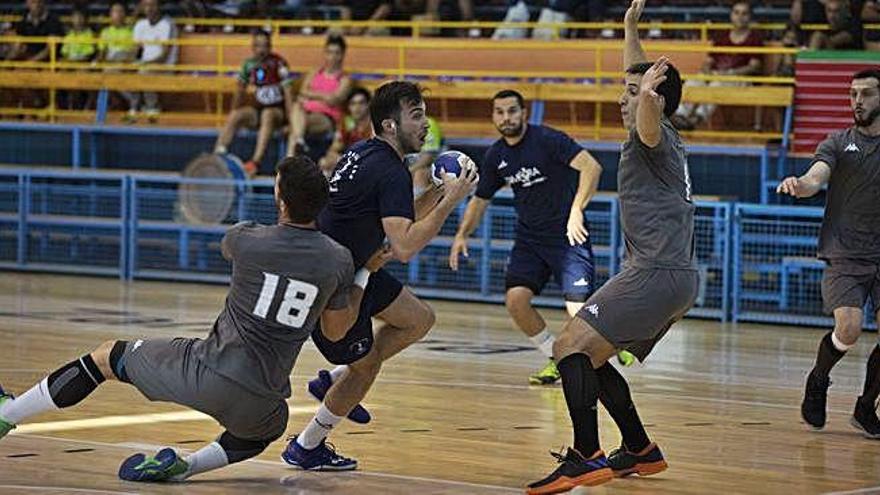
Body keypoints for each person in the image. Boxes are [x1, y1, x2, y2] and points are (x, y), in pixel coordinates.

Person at [0, 155, 394, 481]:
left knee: (106, 358)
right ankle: (187, 466)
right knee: (268, 429)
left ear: (280, 198)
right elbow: (337, 332)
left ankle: (7, 414)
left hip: (204, 369)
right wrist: (365, 271)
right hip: (260, 399)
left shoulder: (245, 238)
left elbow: (239, 249)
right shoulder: (338, 260)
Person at [526, 0, 698, 493]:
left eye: (633, 92)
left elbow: (646, 111)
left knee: (568, 348)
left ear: (655, 100)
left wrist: (645, 93)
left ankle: (585, 456)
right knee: (593, 356)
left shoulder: (653, 133)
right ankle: (640, 449)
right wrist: (629, 28)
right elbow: (641, 83)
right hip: (672, 276)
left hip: (655, 273)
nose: (623, 97)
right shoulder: (666, 134)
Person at [280, 80, 478, 470]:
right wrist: (451, 202)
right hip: (332, 284)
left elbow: (400, 216)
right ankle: (307, 444)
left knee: (419, 319)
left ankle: (333, 379)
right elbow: (404, 246)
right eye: (417, 116)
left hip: (357, 266)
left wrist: (439, 191)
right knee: (366, 366)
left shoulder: (366, 153)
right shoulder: (390, 171)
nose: (425, 124)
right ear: (390, 125)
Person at [448, 89, 603, 386]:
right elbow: (480, 199)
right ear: (493, 116)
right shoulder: (496, 155)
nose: (506, 117)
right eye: (500, 112)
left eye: (512, 111)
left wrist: (576, 210)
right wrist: (461, 234)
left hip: (567, 235)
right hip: (530, 240)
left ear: (524, 113)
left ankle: (608, 342)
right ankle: (554, 358)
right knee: (516, 300)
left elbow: (591, 167)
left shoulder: (547, 140)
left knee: (578, 312)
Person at [777, 69, 880, 440]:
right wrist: (800, 185)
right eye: (853, 94)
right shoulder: (838, 142)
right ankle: (818, 380)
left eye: (866, 94)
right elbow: (815, 178)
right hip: (846, 253)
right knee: (849, 329)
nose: (857, 101)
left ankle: (866, 407)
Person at [672, 1, 763, 130]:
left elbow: (754, 66)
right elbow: (709, 61)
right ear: (731, 15)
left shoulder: (755, 38)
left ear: (749, 17)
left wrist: (730, 73)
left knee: (717, 85)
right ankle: (680, 116)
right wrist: (707, 71)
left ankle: (697, 119)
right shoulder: (722, 36)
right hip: (716, 75)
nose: (740, 17)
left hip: (738, 78)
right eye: (736, 13)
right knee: (694, 82)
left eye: (744, 13)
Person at [214, 30, 293, 177]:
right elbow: (240, 91)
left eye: (265, 46)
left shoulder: (279, 64)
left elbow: (288, 95)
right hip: (258, 111)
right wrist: (234, 111)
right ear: (253, 47)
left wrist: (290, 123)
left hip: (277, 113)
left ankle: (255, 162)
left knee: (267, 115)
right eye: (258, 46)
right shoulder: (248, 65)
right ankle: (218, 154)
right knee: (237, 114)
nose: (261, 50)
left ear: (270, 47)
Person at [287, 34, 353, 157]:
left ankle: (288, 167)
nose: (333, 57)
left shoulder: (345, 79)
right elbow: (302, 92)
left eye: (337, 53)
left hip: (327, 119)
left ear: (343, 55)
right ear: (325, 54)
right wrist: (324, 97)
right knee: (297, 109)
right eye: (329, 52)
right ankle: (299, 142)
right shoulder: (314, 73)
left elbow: (334, 100)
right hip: (305, 113)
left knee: (294, 130)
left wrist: (312, 95)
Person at [4, 0, 64, 110]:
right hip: (26, 59)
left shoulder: (53, 21)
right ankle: (20, 108)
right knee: (7, 73)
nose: (34, 5)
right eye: (31, 2)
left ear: (42, 3)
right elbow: (18, 43)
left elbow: (49, 50)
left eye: (37, 2)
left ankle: (37, 105)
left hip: (48, 61)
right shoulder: (23, 20)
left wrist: (31, 62)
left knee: (24, 72)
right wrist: (9, 60)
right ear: (27, 4)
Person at [129, 0, 178, 124]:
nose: (149, 8)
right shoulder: (140, 24)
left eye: (152, 5)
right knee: (113, 72)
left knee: (144, 73)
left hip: (164, 66)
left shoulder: (166, 24)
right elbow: (135, 51)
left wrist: (145, 63)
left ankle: (150, 108)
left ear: (159, 6)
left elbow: (164, 56)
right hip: (144, 64)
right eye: (146, 5)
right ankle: (138, 105)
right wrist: (130, 62)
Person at [318, 87, 372, 176]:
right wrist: (331, 158)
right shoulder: (347, 122)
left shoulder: (374, 125)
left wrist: (341, 160)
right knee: (323, 163)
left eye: (361, 103)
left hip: (368, 163)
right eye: (353, 104)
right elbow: (335, 147)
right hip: (350, 160)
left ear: (368, 105)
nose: (357, 108)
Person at [98, 2, 139, 116]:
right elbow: (102, 54)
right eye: (115, 11)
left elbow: (133, 52)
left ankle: (130, 102)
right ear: (110, 14)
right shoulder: (105, 32)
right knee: (108, 71)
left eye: (120, 11)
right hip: (110, 63)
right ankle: (132, 100)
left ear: (125, 14)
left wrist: (123, 61)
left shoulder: (131, 31)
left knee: (111, 72)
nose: (118, 15)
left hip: (125, 62)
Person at [59, 7, 96, 111]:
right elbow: (64, 53)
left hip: (83, 65)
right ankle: (65, 107)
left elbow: (88, 55)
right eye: (75, 17)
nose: (78, 20)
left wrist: (73, 63)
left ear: (85, 19)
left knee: (82, 74)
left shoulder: (90, 34)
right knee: (60, 73)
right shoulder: (69, 35)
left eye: (81, 17)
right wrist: (68, 63)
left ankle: (86, 108)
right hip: (70, 65)